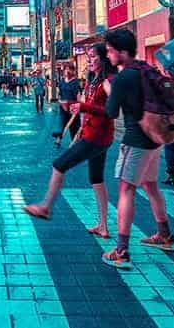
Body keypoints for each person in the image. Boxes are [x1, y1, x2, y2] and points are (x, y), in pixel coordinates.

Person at [102, 29, 174, 267]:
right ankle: (165, 235)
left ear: (122, 52)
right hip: (156, 138)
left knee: (126, 190)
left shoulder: (124, 77)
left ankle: (122, 250)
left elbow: (111, 112)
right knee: (151, 185)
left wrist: (109, 90)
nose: (108, 55)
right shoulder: (146, 69)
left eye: (110, 51)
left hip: (136, 140)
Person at [24, 43, 116, 238]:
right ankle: (103, 226)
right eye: (88, 56)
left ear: (104, 58)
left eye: (93, 56)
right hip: (98, 135)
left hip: (97, 136)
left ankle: (46, 207)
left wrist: (84, 107)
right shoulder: (93, 80)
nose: (89, 60)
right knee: (97, 179)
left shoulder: (107, 81)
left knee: (59, 165)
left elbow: (111, 110)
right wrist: (81, 110)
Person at [55, 66, 82, 140]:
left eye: (69, 69)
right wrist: (60, 102)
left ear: (73, 71)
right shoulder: (62, 82)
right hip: (63, 108)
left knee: (74, 127)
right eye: (66, 69)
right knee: (61, 124)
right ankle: (58, 139)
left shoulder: (76, 82)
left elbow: (78, 96)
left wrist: (77, 107)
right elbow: (59, 94)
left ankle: (74, 143)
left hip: (73, 108)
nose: (67, 71)